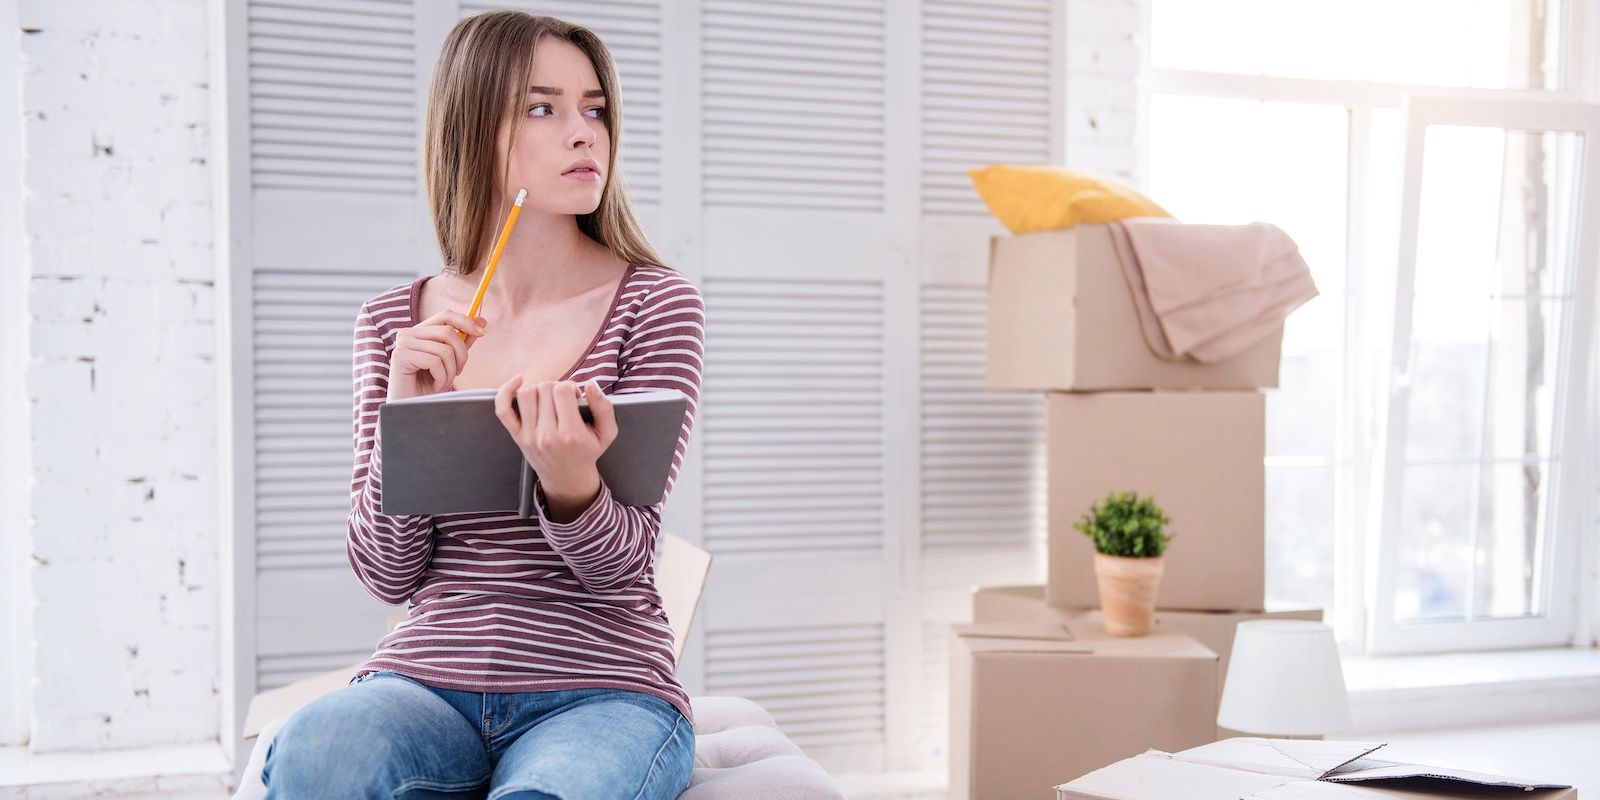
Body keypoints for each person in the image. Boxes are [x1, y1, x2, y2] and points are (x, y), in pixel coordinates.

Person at [261, 11, 704, 799]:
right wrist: (408, 421)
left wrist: (573, 487)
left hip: (602, 687)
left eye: (594, 108)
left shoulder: (656, 304)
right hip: (426, 681)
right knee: (316, 754)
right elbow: (387, 573)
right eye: (542, 108)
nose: (584, 134)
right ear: (473, 129)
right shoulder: (394, 324)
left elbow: (626, 567)